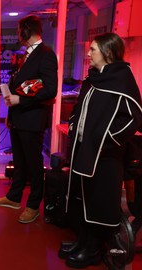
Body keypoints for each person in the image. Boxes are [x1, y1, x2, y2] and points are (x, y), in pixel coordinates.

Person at [58, 33, 142, 269]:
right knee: (83, 198)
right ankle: (82, 242)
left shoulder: (122, 79)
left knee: (99, 202)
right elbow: (79, 108)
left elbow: (134, 118)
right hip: (85, 151)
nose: (88, 53)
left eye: (92, 49)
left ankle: (93, 249)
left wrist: (107, 139)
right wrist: (74, 124)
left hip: (106, 157)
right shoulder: (93, 78)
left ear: (107, 52)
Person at [0, 15, 58, 223]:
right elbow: (26, 86)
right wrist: (11, 113)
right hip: (19, 118)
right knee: (19, 161)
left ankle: (33, 205)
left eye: (20, 30)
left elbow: (50, 90)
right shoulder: (28, 54)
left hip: (32, 119)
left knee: (33, 164)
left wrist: (21, 100)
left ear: (27, 31)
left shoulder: (46, 54)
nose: (18, 34)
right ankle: (14, 197)